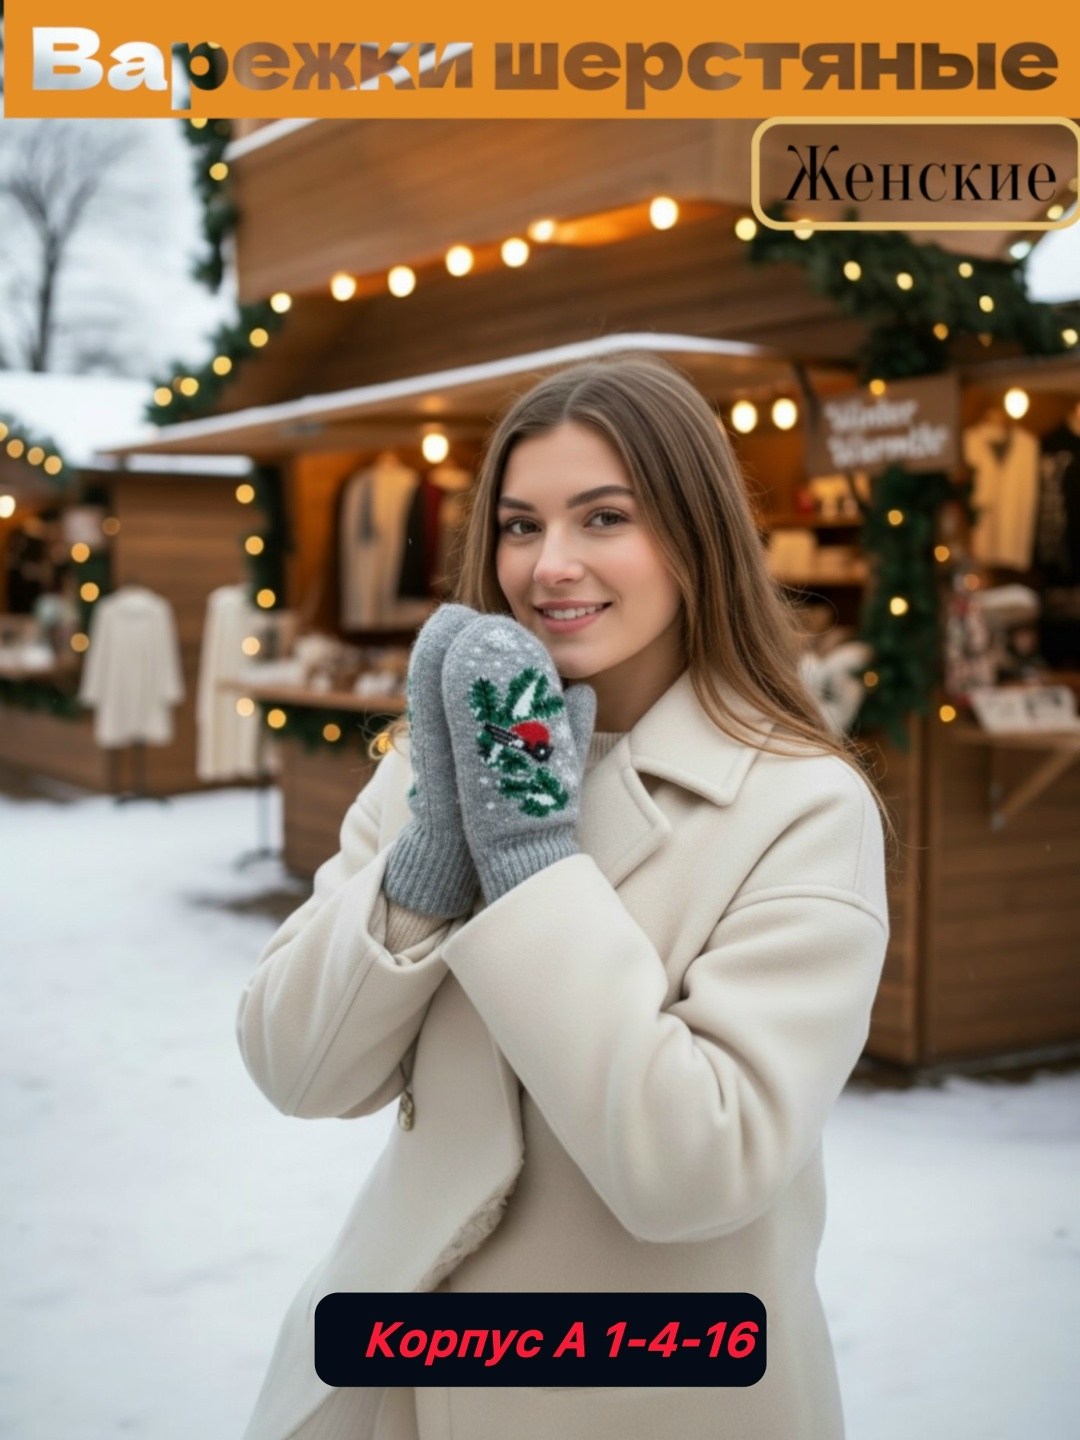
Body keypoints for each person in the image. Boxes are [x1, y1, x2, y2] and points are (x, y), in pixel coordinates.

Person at [236, 354, 892, 1440]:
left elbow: (698, 1166)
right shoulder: (430, 767)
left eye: (603, 518)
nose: (551, 566)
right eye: (519, 525)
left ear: (693, 536)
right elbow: (296, 1069)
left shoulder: (803, 806)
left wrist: (533, 862)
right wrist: (437, 851)